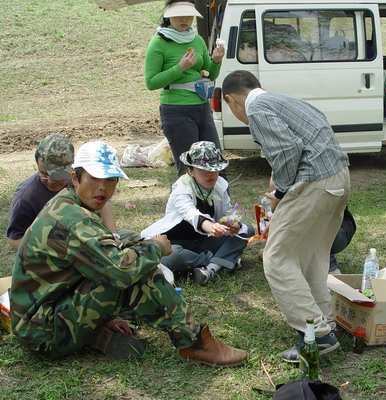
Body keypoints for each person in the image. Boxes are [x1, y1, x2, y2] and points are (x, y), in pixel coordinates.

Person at [9, 141, 248, 366]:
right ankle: (195, 343)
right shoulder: (73, 218)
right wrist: (155, 247)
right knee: (138, 270)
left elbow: (92, 267)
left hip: (44, 316)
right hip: (43, 331)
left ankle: (98, 328)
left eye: (111, 179)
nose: (103, 187)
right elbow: (120, 271)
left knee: (130, 255)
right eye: (95, 178)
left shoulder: (70, 204)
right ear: (75, 177)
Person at [222, 70, 350, 363]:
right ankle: (325, 324)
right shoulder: (283, 100)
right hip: (339, 177)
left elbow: (289, 150)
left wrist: (279, 193)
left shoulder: (256, 108)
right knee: (311, 255)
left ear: (231, 100)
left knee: (277, 259)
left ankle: (317, 336)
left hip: (315, 182)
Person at [141, 141, 254, 285]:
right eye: (203, 170)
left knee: (247, 229)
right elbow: (189, 212)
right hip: (175, 244)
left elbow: (227, 212)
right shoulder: (181, 189)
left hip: (204, 241)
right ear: (190, 170)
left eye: (214, 169)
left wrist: (233, 225)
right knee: (173, 256)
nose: (210, 174)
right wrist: (209, 226)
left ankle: (210, 268)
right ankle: (222, 262)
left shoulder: (219, 185)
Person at [144, 0, 225, 175]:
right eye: (178, 15)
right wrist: (180, 68)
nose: (184, 19)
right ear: (168, 16)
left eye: (189, 15)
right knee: (189, 169)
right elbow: (151, 82)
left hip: (202, 107)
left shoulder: (197, 39)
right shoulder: (159, 42)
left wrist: (216, 61)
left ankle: (220, 203)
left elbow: (208, 74)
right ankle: (188, 202)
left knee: (215, 164)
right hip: (176, 110)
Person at [6, 134, 117, 252]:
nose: (51, 180)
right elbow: (15, 239)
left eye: (58, 175)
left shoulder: (77, 179)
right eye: (44, 174)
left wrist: (114, 236)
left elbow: (104, 204)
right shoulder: (26, 196)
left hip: (87, 236)